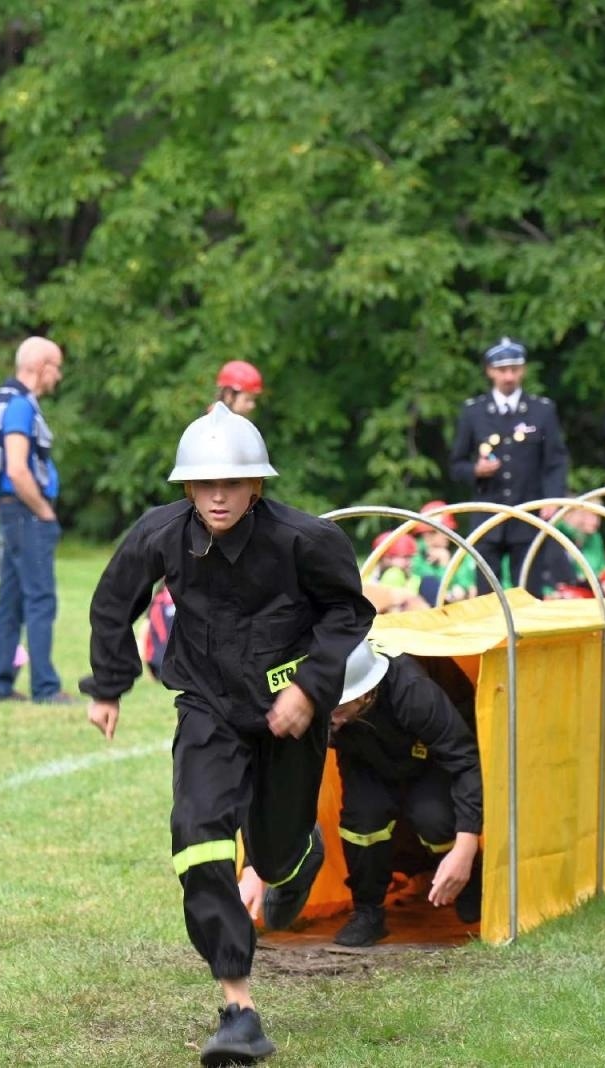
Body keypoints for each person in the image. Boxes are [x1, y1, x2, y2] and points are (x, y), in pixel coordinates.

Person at [81, 404, 375, 1066]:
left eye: (232, 483)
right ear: (186, 487)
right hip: (207, 706)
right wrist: (107, 685)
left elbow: (349, 612)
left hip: (287, 715)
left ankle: (300, 858)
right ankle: (238, 1009)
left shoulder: (305, 541)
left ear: (256, 486)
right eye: (204, 483)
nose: (218, 495)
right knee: (197, 839)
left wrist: (309, 689)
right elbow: (112, 602)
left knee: (273, 857)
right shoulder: (160, 534)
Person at [322, 642, 482, 947]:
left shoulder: (414, 691)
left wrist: (467, 846)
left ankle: (469, 876)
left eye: (339, 709)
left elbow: (464, 761)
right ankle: (368, 912)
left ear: (366, 693)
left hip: (429, 756)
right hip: (364, 755)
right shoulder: (329, 709)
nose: (331, 719)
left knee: (434, 818)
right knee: (362, 822)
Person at [0, 335, 70, 704]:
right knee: (40, 599)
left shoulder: (3, 401)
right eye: (56, 367)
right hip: (26, 513)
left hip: (10, 512)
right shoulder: (20, 405)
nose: (59, 376)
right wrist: (44, 511)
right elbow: (17, 469)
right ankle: (45, 687)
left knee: (11, 599)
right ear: (39, 366)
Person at [447, 337, 570, 595]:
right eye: (502, 370)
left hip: (527, 514)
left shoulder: (541, 410)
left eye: (514, 369)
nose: (509, 376)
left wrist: (552, 498)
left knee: (529, 591)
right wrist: (475, 471)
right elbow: (456, 464)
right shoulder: (474, 412)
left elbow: (556, 461)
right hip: (488, 516)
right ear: (490, 371)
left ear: (523, 370)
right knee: (486, 596)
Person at [410, 502, 476, 605]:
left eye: (450, 530)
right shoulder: (413, 555)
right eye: (444, 531)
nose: (448, 536)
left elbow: (469, 589)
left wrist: (445, 564)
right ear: (428, 534)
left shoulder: (461, 554)